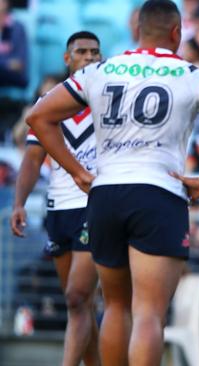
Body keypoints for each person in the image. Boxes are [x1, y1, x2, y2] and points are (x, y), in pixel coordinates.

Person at [25, 1, 199, 365]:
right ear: (177, 33)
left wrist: (77, 172)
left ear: (137, 30)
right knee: (148, 312)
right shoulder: (191, 73)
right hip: (159, 193)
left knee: (115, 306)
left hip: (105, 194)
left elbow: (38, 117)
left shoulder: (100, 70)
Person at [11, 31, 101, 366]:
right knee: (79, 303)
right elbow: (33, 158)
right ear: (67, 59)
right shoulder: (48, 104)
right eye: (82, 52)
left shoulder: (108, 100)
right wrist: (19, 202)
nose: (89, 57)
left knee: (78, 297)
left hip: (95, 207)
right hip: (58, 208)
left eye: (95, 52)